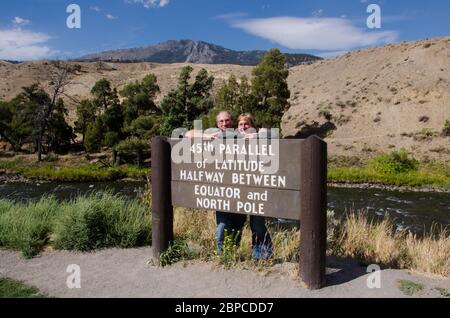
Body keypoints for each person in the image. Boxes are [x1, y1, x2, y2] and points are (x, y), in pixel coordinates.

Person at [234, 113, 273, 261]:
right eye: (240, 124)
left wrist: (256, 135)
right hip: (238, 190)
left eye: (247, 124)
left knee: (257, 224)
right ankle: (234, 254)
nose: (243, 127)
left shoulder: (259, 136)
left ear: (252, 125)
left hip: (257, 190)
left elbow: (272, 134)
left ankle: (263, 255)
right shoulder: (234, 139)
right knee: (237, 224)